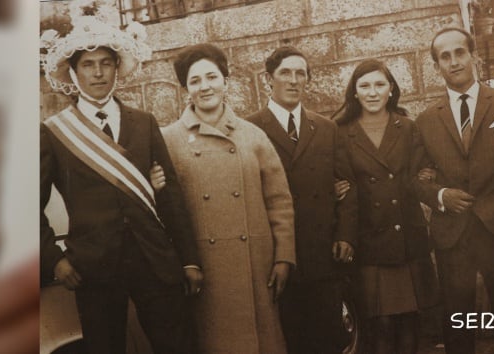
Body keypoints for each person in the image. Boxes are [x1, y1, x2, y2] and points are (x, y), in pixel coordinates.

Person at [39, 5, 202, 354]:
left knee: (178, 346)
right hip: (94, 267)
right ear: (74, 71)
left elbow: (170, 194)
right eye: (88, 64)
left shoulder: (143, 122)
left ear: (116, 68)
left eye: (105, 63)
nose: (98, 73)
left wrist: (189, 259)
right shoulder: (55, 132)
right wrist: (54, 258)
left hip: (154, 261)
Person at [151, 43, 295, 353]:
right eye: (195, 81)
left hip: (256, 266)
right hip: (206, 269)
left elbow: (279, 201)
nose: (205, 87)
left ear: (225, 81)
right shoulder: (168, 139)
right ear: (185, 89)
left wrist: (284, 256)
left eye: (212, 77)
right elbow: (164, 207)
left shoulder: (252, 135)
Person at [246, 46, 358, 354]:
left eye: (301, 73)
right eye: (285, 73)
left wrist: (345, 235)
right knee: (289, 341)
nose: (294, 80)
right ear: (268, 79)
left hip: (323, 257)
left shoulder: (325, 127)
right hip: (278, 261)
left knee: (328, 340)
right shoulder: (250, 129)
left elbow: (348, 186)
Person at [413, 27, 494, 354]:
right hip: (452, 233)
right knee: (457, 319)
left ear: (473, 56)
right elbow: (415, 178)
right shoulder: (427, 119)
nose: (454, 61)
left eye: (459, 52)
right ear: (436, 66)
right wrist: (440, 196)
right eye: (445, 56)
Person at [332, 59, 440, 354]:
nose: (372, 92)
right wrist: (334, 189)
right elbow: (339, 178)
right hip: (370, 243)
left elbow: (422, 169)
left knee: (410, 324)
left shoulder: (406, 126)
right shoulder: (341, 132)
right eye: (364, 86)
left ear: (391, 89)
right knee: (380, 326)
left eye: (380, 85)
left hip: (406, 238)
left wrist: (426, 173)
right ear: (354, 92)